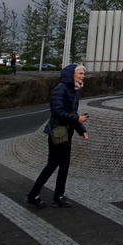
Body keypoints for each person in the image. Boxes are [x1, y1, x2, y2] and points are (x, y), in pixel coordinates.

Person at [27, 64, 89, 208]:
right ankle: (33, 195)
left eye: (83, 73)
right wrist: (77, 120)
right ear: (71, 75)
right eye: (80, 73)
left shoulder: (74, 90)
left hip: (67, 132)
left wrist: (81, 129)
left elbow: (73, 113)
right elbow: (57, 111)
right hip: (58, 132)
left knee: (64, 164)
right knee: (53, 164)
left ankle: (58, 196)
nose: (83, 76)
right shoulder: (61, 89)